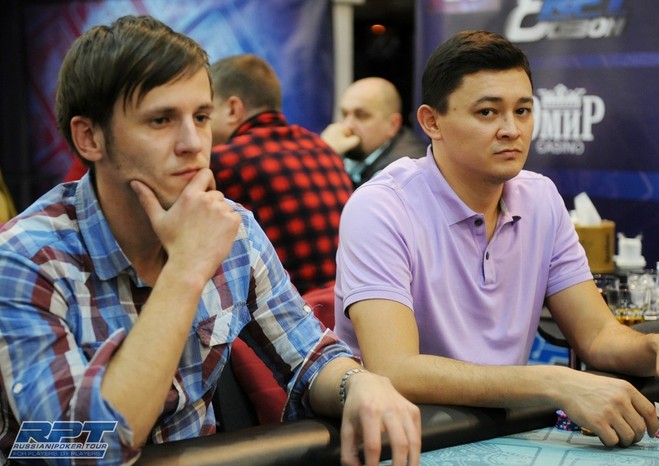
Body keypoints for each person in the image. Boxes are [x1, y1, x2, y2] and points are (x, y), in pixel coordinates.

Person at [0, 15, 421, 466]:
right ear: (89, 137)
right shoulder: (26, 257)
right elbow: (78, 449)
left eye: (201, 117)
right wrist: (185, 269)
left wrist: (357, 383)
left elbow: (310, 356)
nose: (193, 143)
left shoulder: (233, 228)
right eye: (160, 120)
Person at [334, 29, 659, 449]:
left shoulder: (540, 197)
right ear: (432, 122)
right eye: (488, 112)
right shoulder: (381, 207)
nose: (512, 129)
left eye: (523, 110)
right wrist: (556, 382)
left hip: (500, 433)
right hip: (399, 440)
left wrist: (658, 347)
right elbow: (395, 369)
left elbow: (597, 335)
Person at [209, 54, 353, 296]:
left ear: (233, 109)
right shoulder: (324, 149)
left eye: (203, 114)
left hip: (289, 312)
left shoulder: (223, 162)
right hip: (345, 305)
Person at [321, 77, 426, 187]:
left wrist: (325, 155)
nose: (347, 125)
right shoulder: (361, 151)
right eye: (344, 114)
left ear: (393, 125)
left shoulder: (400, 171)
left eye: (361, 115)